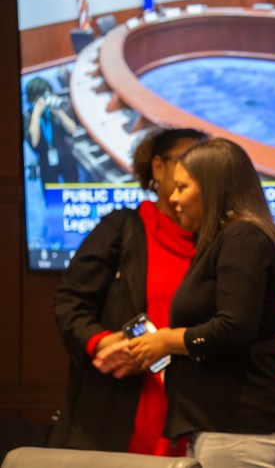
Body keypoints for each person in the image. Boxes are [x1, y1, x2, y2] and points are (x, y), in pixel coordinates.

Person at [127, 138, 275, 467]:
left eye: (181, 187)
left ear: (212, 186)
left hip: (243, 423)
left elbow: (234, 328)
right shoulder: (225, 238)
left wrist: (166, 340)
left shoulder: (243, 237)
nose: (173, 198)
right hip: (223, 422)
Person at [50, 127, 209, 454]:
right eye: (186, 161)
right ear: (158, 168)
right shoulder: (121, 228)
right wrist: (103, 342)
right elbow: (70, 303)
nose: (196, 173)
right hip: (119, 405)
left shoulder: (220, 242)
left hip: (194, 411)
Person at [23, 76, 79, 185]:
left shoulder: (54, 110)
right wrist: (36, 113)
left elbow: (72, 129)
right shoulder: (27, 117)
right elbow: (34, 141)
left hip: (66, 157)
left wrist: (59, 112)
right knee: (52, 196)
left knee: (73, 188)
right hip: (45, 162)